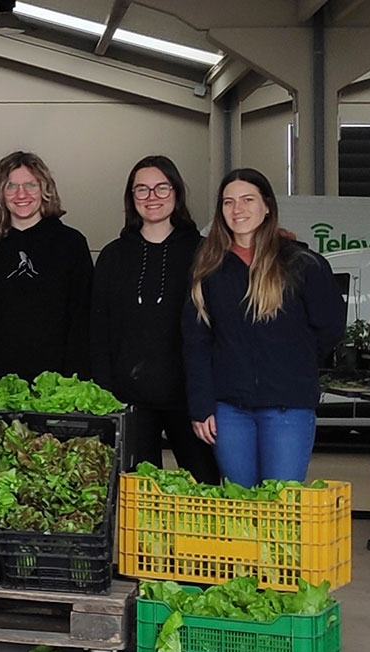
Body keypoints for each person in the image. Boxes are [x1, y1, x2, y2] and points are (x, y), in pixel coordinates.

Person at [183, 168, 345, 486]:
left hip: (288, 410)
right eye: (228, 202)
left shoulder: (302, 263)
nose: (237, 209)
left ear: (267, 205)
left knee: (280, 507)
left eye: (247, 199)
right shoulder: (208, 268)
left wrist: (291, 363)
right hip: (230, 412)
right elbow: (196, 342)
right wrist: (201, 406)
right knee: (241, 508)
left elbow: (330, 327)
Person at [91, 156, 218, 481]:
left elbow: (218, 328)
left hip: (189, 399)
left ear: (176, 192)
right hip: (129, 401)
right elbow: (98, 330)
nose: (152, 197)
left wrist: (209, 397)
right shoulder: (112, 256)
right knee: (138, 497)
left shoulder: (205, 253)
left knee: (204, 488)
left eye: (161, 187)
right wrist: (106, 396)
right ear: (131, 199)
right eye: (142, 190)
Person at [0, 151, 92, 387]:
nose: (21, 194)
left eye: (30, 185)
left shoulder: (71, 245)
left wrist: (75, 384)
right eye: (11, 186)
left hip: (53, 388)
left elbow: (82, 322)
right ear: (0, 194)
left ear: (45, 189)